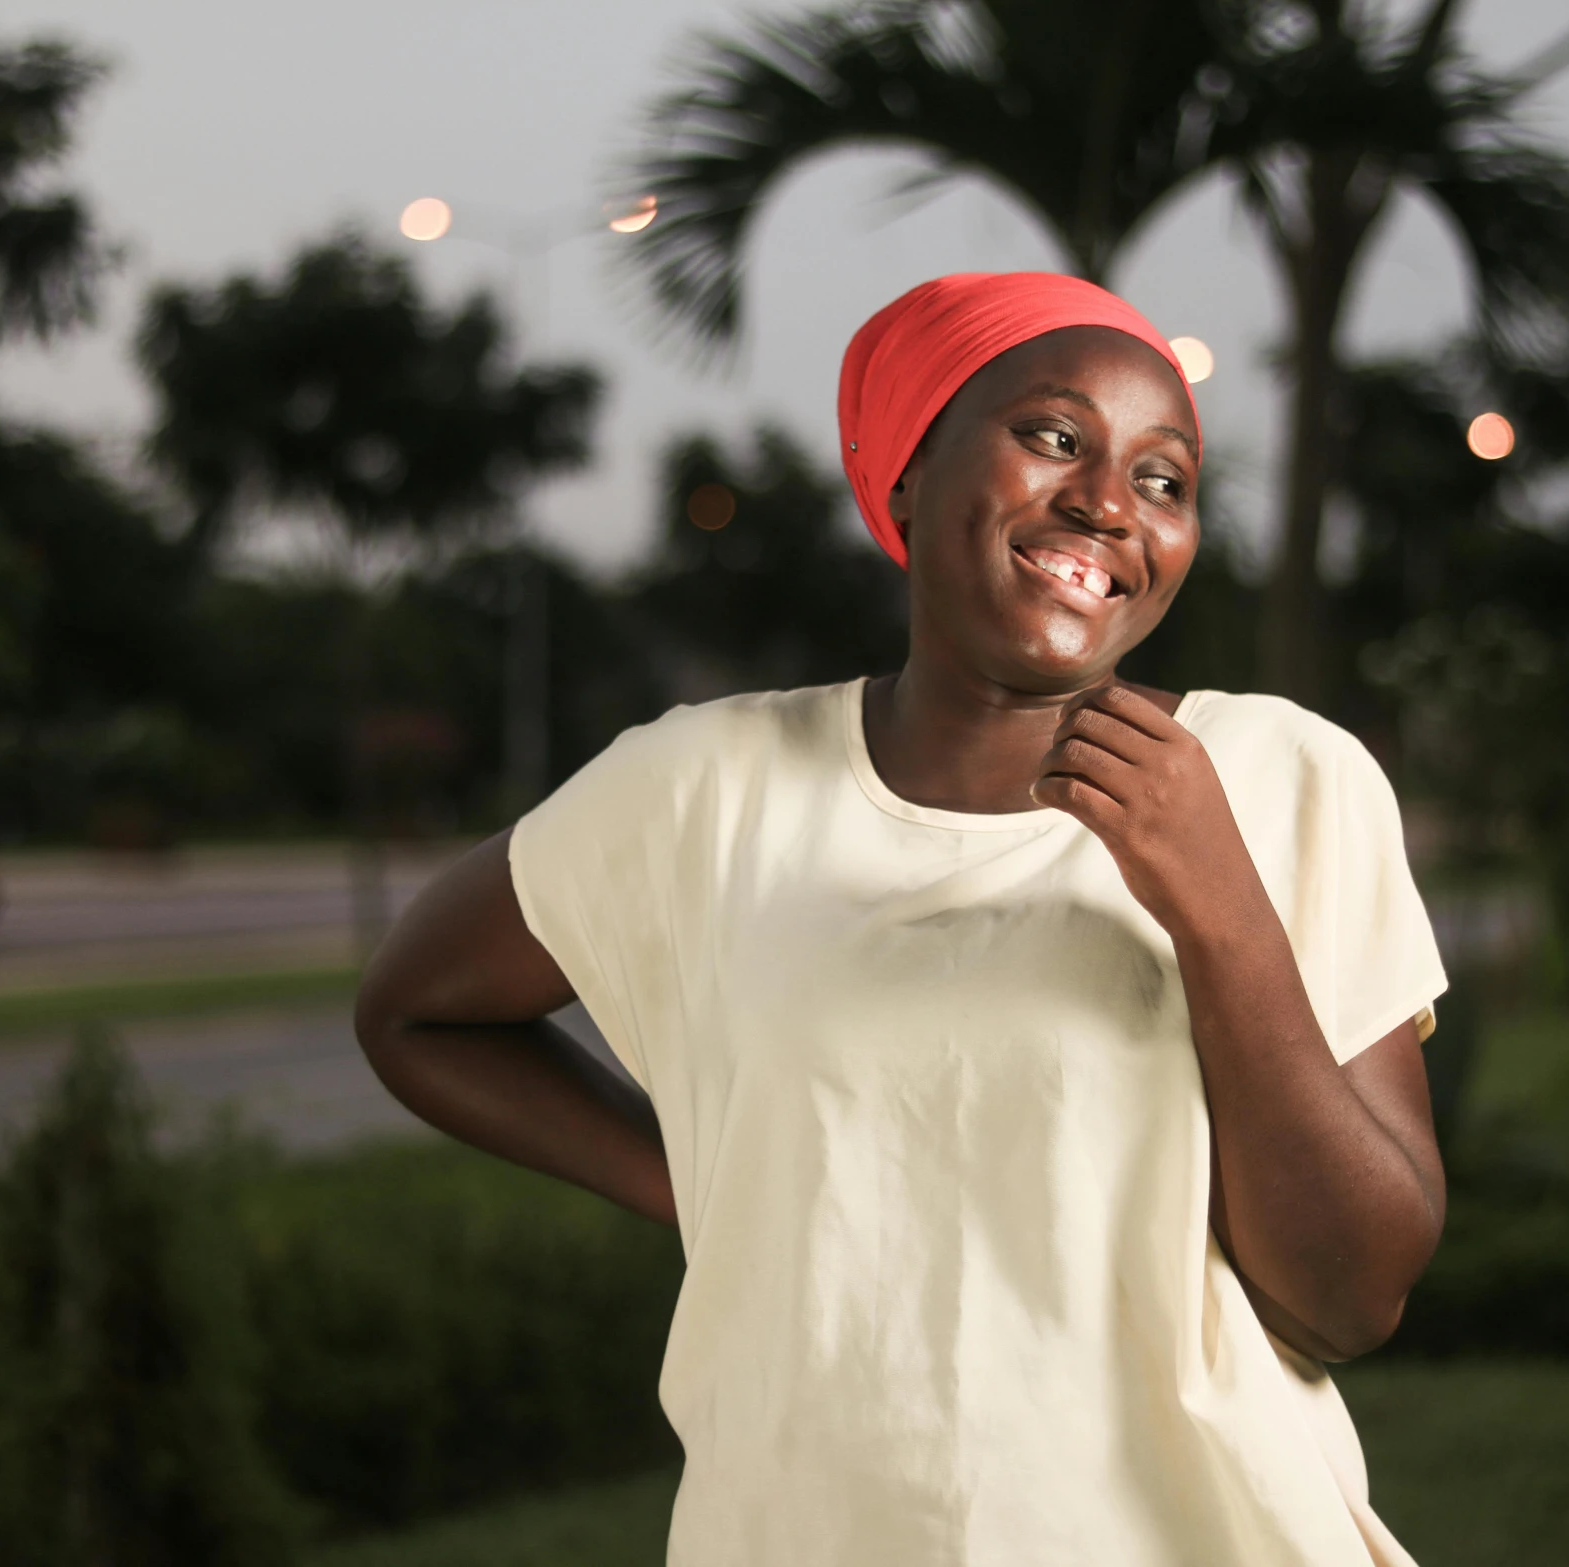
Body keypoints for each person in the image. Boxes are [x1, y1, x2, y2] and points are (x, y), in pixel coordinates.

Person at [355, 272, 1448, 1567]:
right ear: (909, 475)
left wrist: (1220, 912)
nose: (1108, 502)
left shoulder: (1276, 776)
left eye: (1162, 478)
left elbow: (1346, 1295)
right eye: (1052, 438)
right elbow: (416, 1007)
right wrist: (719, 1182)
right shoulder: (706, 786)